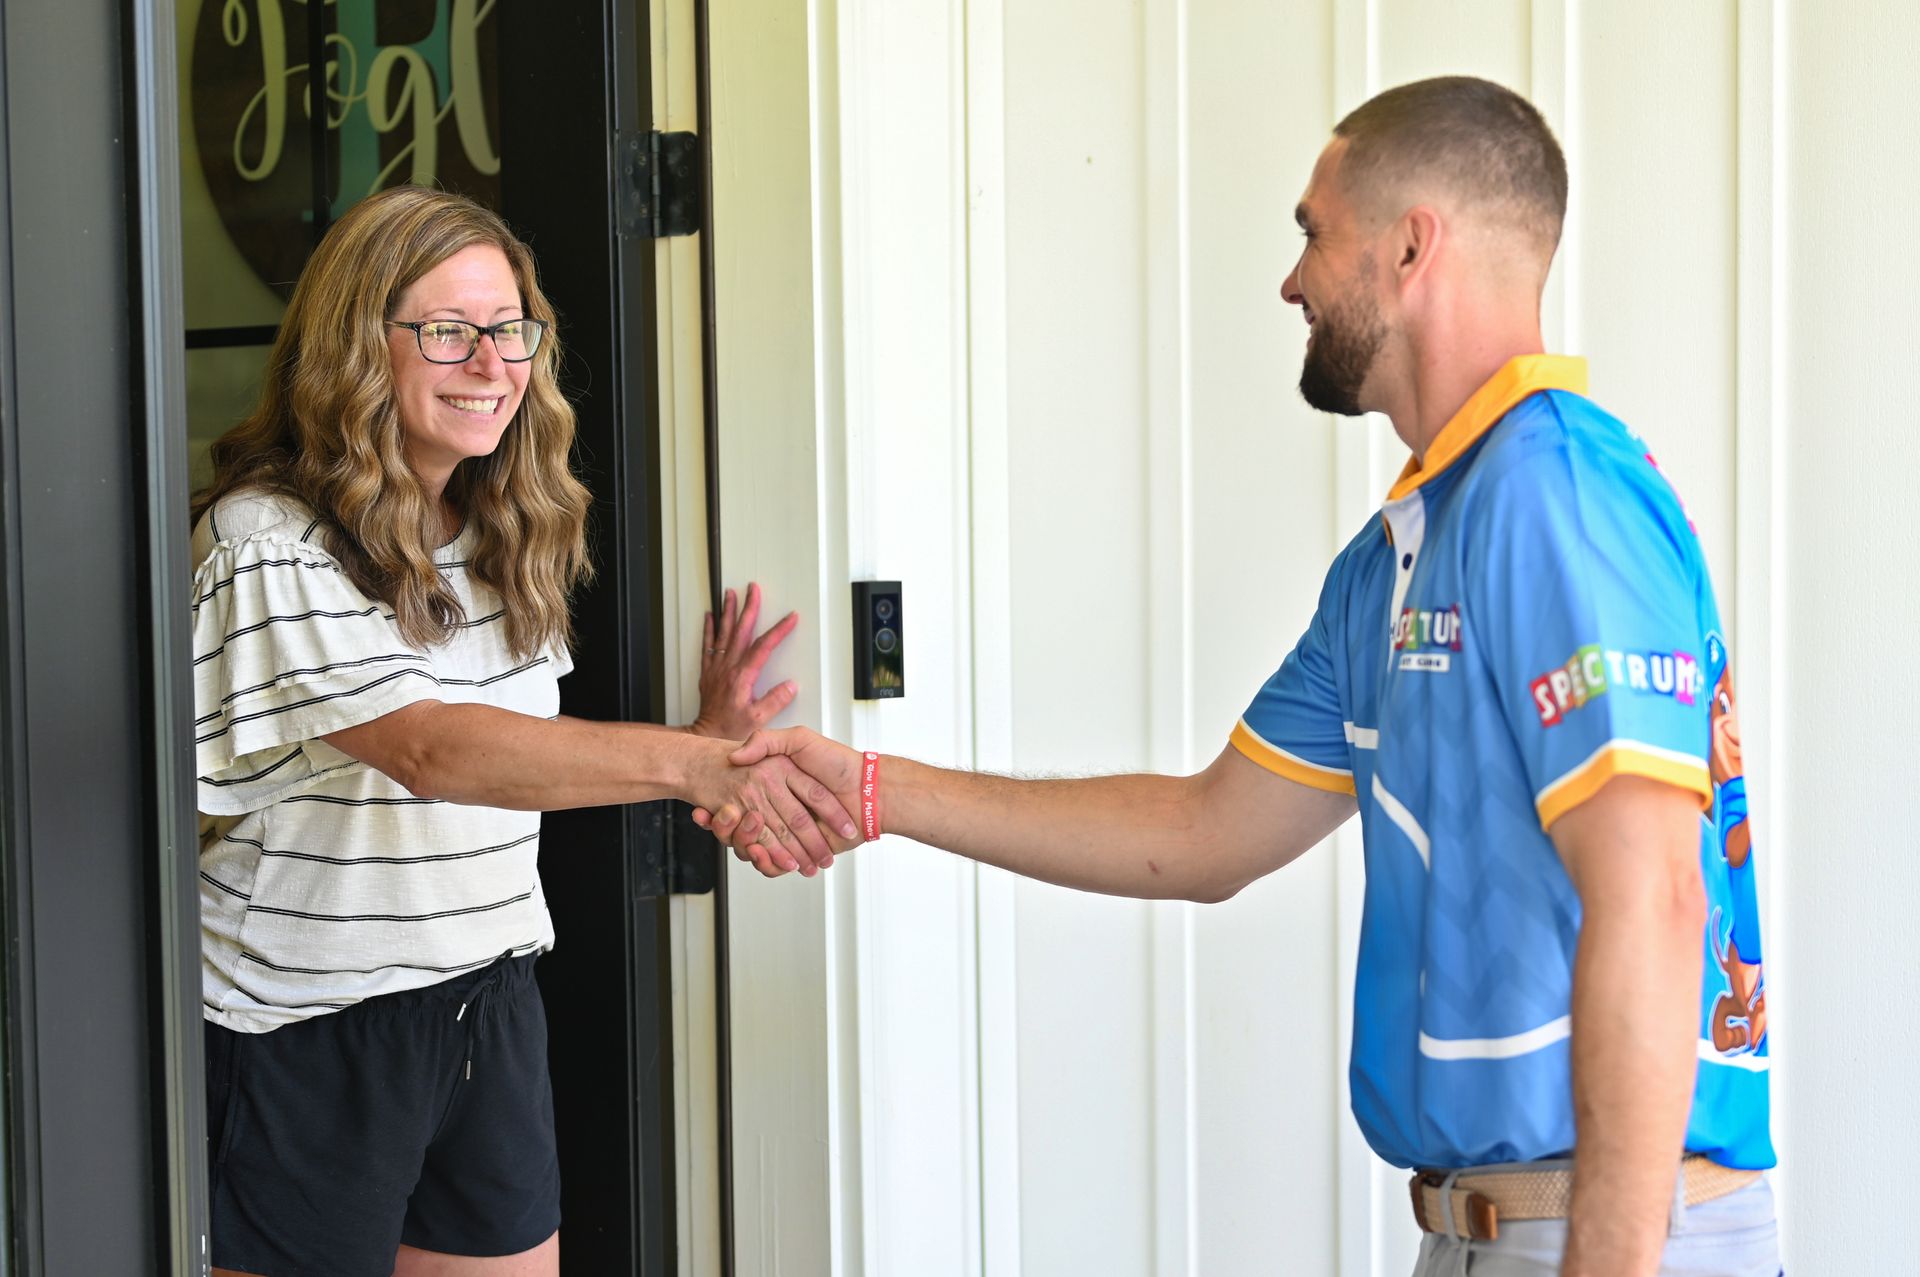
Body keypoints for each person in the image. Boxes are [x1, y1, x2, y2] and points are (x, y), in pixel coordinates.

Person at [704, 77, 1778, 1277]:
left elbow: (1658, 897)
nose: (1293, 278)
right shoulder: (1394, 561)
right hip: (1482, 1229)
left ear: (1413, 243)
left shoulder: (1552, 494)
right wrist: (871, 789)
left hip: (1616, 1234)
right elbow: (1204, 829)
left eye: (1314, 232)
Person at [191, 185, 852, 1277]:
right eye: (446, 330)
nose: (492, 362)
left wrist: (706, 745)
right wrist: (697, 760)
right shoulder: (267, 537)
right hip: (307, 1029)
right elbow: (432, 748)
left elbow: (510, 760)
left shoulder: (500, 525)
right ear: (358, 342)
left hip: (483, 1003)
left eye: (509, 330)